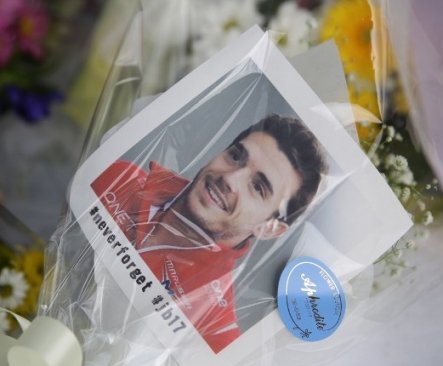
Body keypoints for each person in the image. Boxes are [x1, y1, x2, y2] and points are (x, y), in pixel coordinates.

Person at [91, 114, 328, 353]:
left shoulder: (215, 336)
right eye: (236, 156)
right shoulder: (118, 181)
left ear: (271, 228)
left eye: (258, 187)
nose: (230, 179)